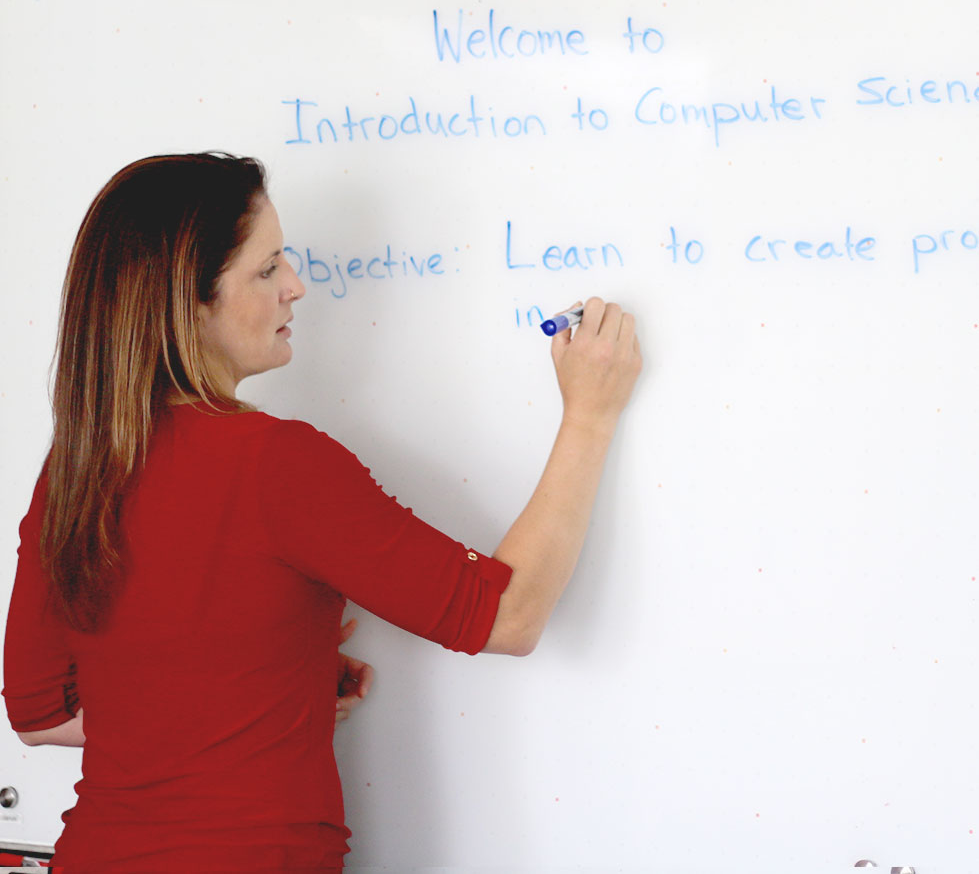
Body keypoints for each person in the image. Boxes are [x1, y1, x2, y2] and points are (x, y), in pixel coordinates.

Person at [2, 152, 641, 872]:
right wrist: (589, 415)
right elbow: (507, 616)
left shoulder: (77, 465)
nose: (296, 288)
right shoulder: (275, 463)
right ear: (191, 301)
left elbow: (39, 712)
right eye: (267, 268)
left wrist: (261, 685)